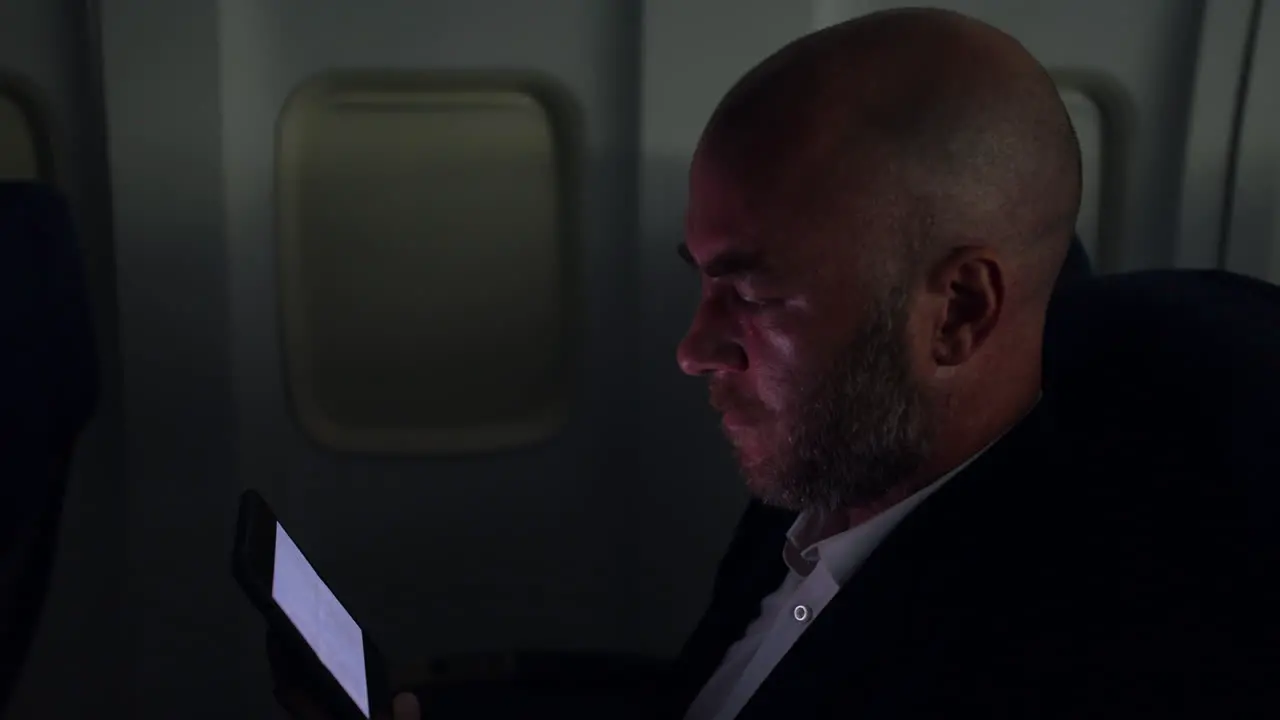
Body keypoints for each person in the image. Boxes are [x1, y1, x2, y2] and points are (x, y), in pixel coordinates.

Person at [271, 8, 1255, 718]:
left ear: (955, 312)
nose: (693, 351)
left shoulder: (1066, 657)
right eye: (701, 281)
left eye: (753, 294)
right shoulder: (844, 455)